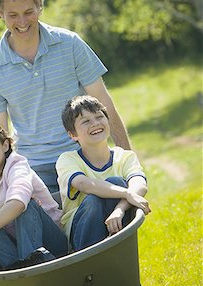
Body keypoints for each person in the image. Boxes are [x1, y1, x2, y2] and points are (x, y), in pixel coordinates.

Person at [0, 0, 131, 193]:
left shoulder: (70, 44)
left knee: (102, 214)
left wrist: (128, 157)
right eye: (13, 15)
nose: (22, 21)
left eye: (28, 11)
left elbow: (102, 100)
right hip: (33, 168)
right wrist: (2, 186)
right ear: (0, 13)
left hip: (84, 156)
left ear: (39, 6)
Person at [0, 119, 68, 269]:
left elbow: (18, 204)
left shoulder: (18, 166)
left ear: (5, 145)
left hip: (52, 244)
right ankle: (17, 270)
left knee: (27, 206)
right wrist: (1, 208)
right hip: (16, 250)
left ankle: (32, 265)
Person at [56, 95, 151, 250]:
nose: (95, 123)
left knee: (117, 182)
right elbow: (84, 184)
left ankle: (117, 251)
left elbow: (139, 185)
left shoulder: (125, 156)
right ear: (72, 135)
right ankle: (89, 259)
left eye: (99, 117)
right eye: (86, 121)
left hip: (118, 223)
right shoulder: (68, 159)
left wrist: (119, 209)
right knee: (95, 198)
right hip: (81, 235)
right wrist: (127, 194)